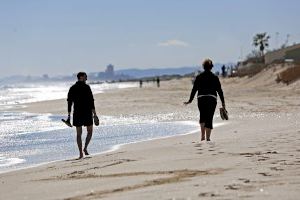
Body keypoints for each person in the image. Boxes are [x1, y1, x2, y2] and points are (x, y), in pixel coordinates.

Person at [184, 59, 225, 141]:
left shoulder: (199, 77)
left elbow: (194, 89)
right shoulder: (215, 77)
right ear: (211, 67)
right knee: (209, 117)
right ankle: (208, 138)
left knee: (202, 116)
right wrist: (223, 103)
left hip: (201, 98)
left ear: (203, 67)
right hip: (211, 99)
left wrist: (190, 100)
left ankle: (202, 136)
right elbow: (219, 90)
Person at [67, 72, 98, 159]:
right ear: (81, 77)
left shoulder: (72, 88)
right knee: (90, 131)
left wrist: (69, 115)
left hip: (77, 113)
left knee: (78, 134)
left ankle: (81, 153)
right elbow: (91, 101)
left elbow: (69, 102)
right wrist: (94, 114)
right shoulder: (87, 87)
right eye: (85, 77)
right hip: (87, 112)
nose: (86, 78)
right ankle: (85, 148)